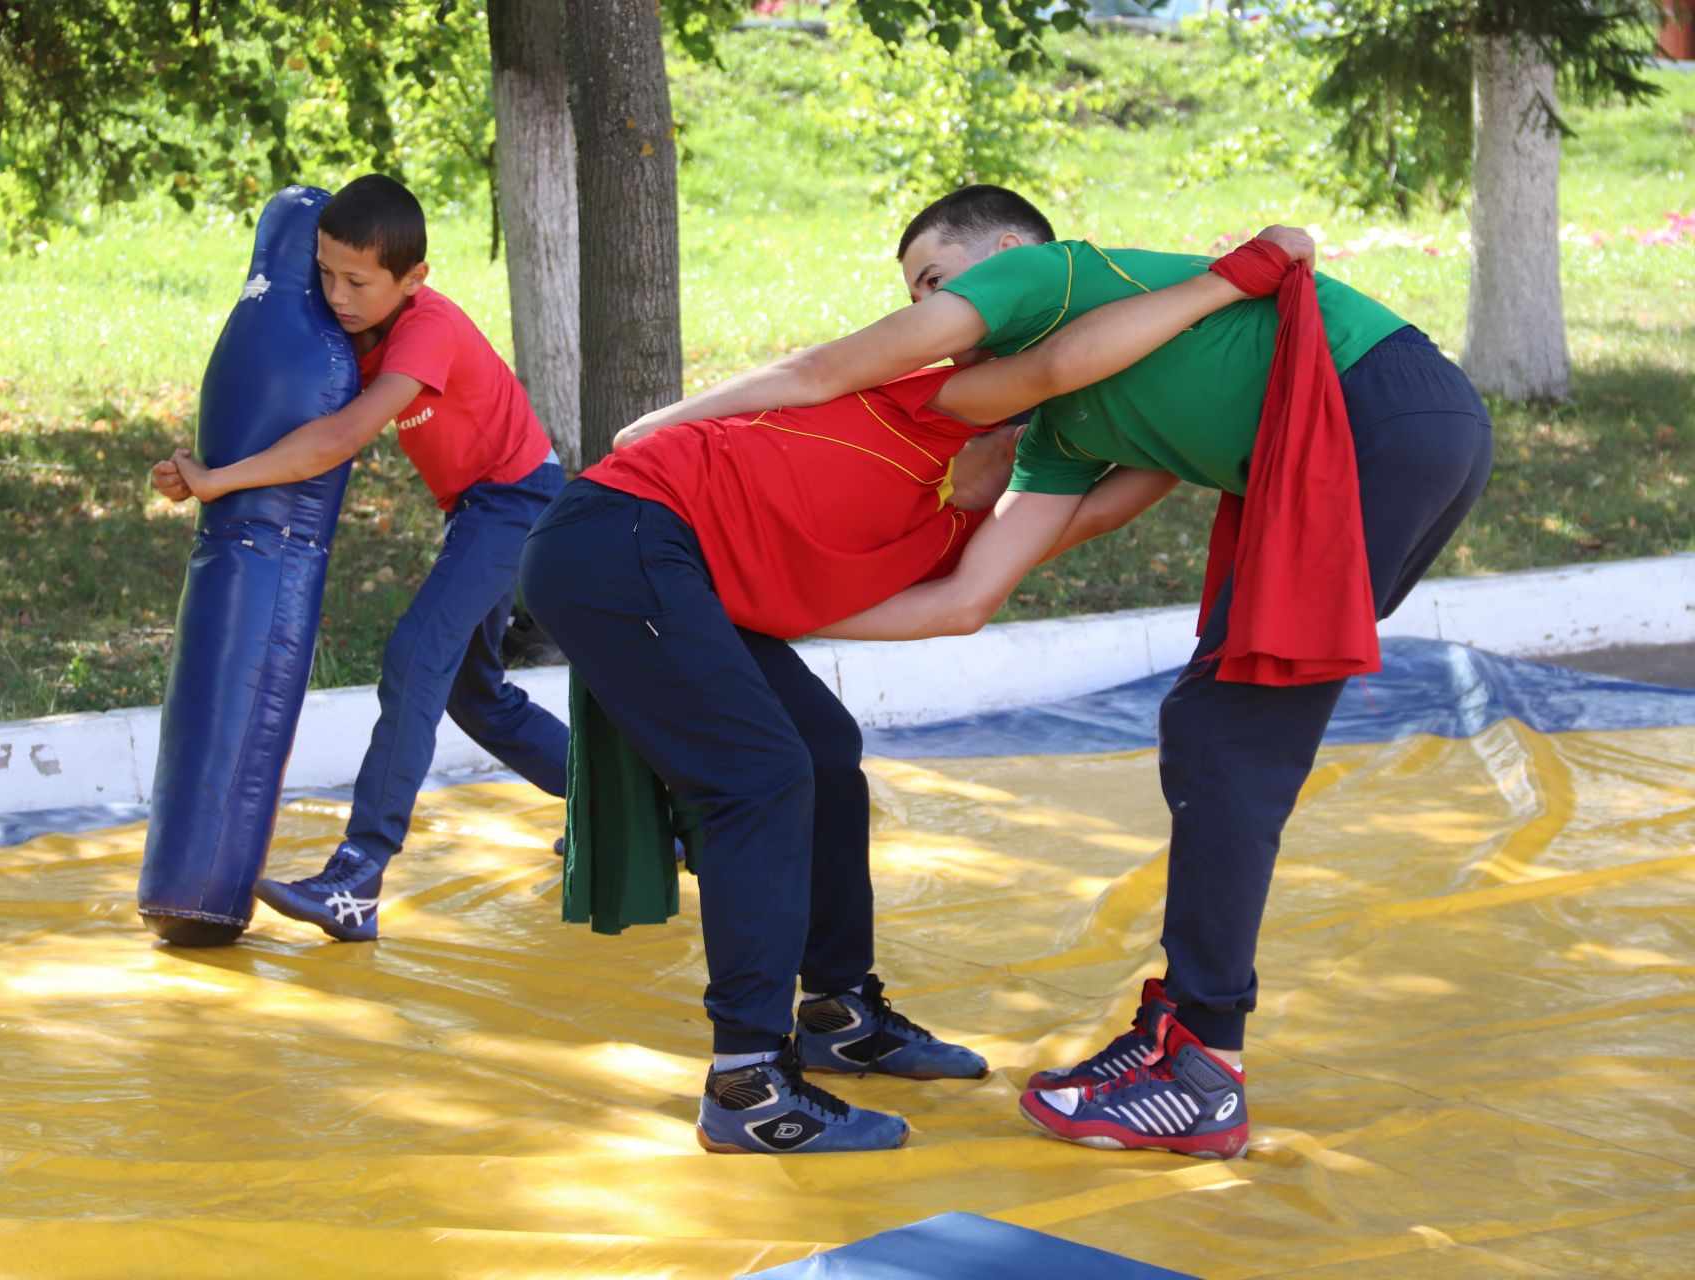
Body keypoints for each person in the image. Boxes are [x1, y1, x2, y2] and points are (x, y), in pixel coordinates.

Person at [626, 185, 1492, 1160]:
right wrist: (748, 604)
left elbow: (825, 367)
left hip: (1375, 418)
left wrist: (657, 427)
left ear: (1003, 252)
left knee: (1229, 736)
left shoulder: (1055, 273)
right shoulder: (1063, 431)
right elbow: (966, 597)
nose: (935, 323)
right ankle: (1188, 1034)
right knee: (1218, 729)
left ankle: (1202, 1066)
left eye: (934, 284)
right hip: (1366, 446)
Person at [521, 226, 1309, 1155]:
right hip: (621, 533)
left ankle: (839, 1014)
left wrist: (1225, 401)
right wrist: (1226, 282)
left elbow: (1110, 499)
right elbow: (1057, 363)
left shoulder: (955, 544)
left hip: (674, 572)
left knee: (820, 752)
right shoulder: (933, 403)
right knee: (760, 774)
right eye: (1029, 427)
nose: (1030, 446)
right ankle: (747, 1082)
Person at [152, 174, 568, 943]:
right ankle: (626, 811)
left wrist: (219, 482)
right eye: (325, 273)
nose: (337, 295)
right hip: (479, 508)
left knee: (413, 660)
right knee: (475, 695)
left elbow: (340, 439)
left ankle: (357, 877)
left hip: (521, 502)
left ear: (414, 280)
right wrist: (205, 469)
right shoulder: (346, 326)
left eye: (357, 281)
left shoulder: (427, 330)